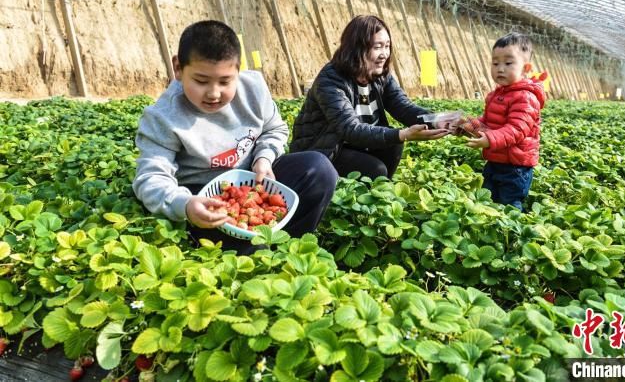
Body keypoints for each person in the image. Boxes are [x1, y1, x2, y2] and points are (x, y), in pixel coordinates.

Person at [132, 20, 338, 252]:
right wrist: (186, 205)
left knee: (319, 169)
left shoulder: (254, 88)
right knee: (251, 251)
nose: (213, 93)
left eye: (225, 81)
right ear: (178, 68)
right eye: (201, 81)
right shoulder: (163, 117)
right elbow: (150, 177)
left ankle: (288, 246)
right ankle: (257, 251)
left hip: (255, 179)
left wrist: (264, 158)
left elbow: (274, 129)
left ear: (238, 71)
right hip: (205, 200)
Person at [290, 15, 450, 179]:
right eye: (378, 47)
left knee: (394, 145)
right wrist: (403, 134)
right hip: (324, 151)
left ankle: (379, 194)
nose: (384, 54)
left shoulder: (380, 75)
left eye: (387, 46)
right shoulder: (331, 80)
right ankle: (356, 194)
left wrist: (436, 120)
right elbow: (350, 129)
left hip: (355, 143)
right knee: (375, 169)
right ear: (356, 48)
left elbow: (403, 107)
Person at [453, 32, 546, 211]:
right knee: (489, 200)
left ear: (526, 68)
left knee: (509, 206)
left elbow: (517, 129)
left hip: (515, 167)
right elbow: (487, 122)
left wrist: (489, 140)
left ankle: (511, 236)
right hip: (495, 160)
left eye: (508, 63)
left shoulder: (526, 97)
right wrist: (467, 125)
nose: (500, 68)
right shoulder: (496, 95)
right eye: (495, 63)